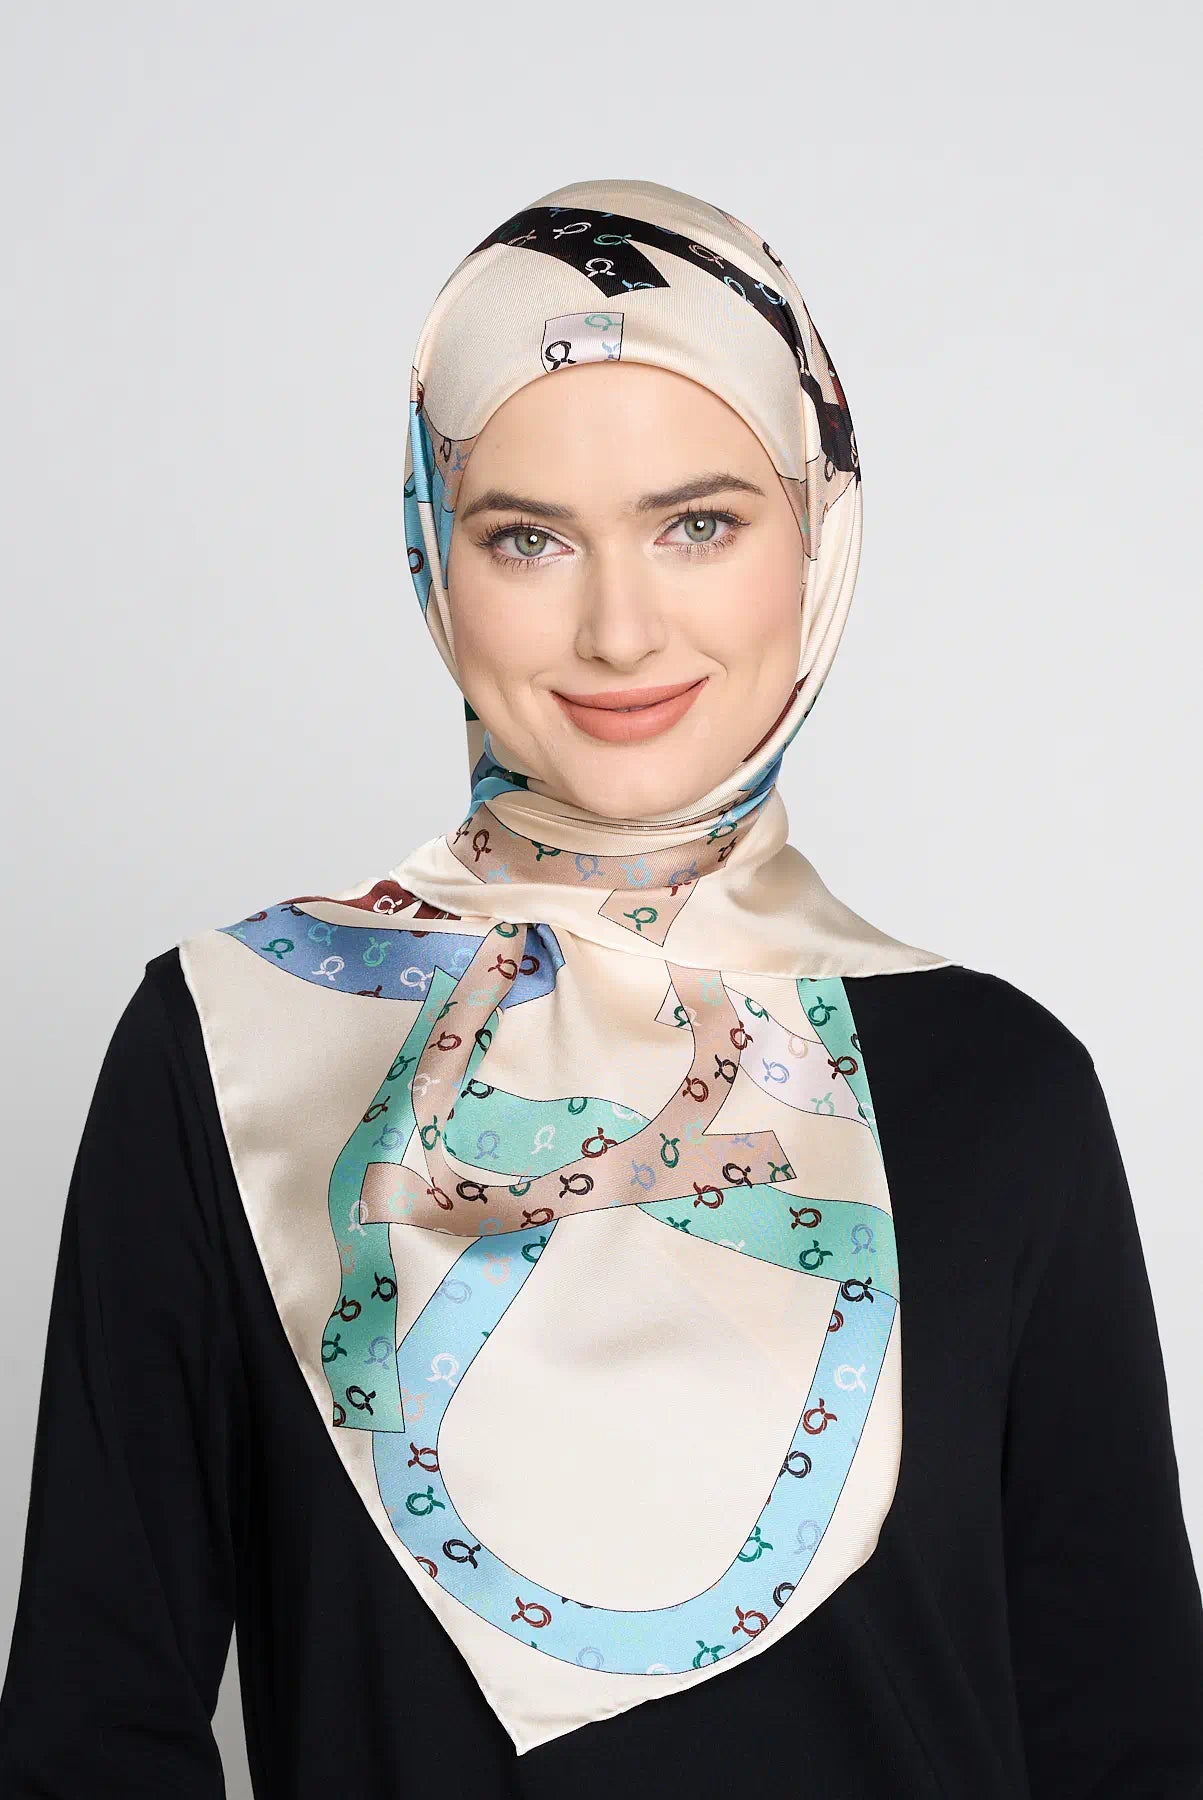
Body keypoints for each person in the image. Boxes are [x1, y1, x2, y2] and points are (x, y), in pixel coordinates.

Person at [1, 175, 1200, 1799]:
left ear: (819, 529)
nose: (620, 629)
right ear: (434, 549)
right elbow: (93, 1732)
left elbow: (1126, 1739)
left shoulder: (1003, 1084)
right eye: (528, 538)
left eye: (698, 524)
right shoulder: (233, 1044)